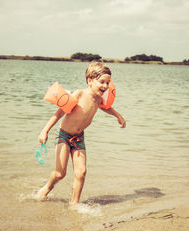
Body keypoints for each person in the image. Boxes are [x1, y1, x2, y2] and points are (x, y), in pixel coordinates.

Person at [37, 61, 126, 206]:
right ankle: (47, 188)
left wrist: (118, 116)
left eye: (108, 83)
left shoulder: (98, 99)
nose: (105, 86)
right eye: (102, 82)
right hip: (64, 136)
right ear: (90, 81)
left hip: (79, 138)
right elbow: (59, 113)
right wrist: (44, 131)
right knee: (60, 173)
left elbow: (106, 108)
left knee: (81, 172)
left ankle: (74, 204)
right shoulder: (79, 94)